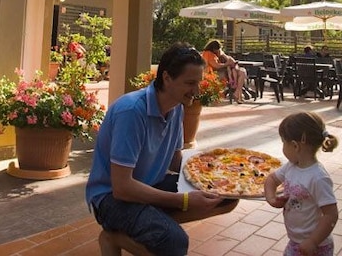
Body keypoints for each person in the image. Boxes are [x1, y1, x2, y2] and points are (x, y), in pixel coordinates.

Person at [86, 43, 237, 255]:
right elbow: (122, 187)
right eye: (190, 83)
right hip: (111, 198)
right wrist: (184, 200)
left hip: (149, 184)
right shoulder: (131, 112)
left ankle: (149, 223)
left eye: (198, 83)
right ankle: (114, 235)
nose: (196, 91)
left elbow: (175, 161)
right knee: (173, 242)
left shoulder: (176, 108)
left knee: (226, 194)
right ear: (166, 78)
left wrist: (216, 169)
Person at [265, 112, 339, 256]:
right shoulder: (291, 167)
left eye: (283, 143)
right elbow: (271, 180)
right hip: (295, 242)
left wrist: (313, 241)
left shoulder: (318, 178)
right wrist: (271, 199)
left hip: (316, 247)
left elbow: (331, 215)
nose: (282, 147)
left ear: (295, 145)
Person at [200, 39, 248, 103]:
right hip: (214, 73)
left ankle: (237, 92)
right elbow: (216, 66)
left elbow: (231, 60)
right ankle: (239, 94)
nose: (218, 50)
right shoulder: (208, 53)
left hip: (224, 71)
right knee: (240, 73)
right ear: (213, 49)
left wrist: (223, 55)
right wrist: (227, 64)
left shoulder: (218, 53)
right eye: (217, 49)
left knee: (243, 71)